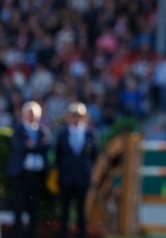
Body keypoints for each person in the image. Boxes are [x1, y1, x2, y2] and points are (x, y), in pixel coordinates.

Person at [6, 100, 51, 238]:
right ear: (24, 114)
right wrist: (33, 147)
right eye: (29, 113)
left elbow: (45, 147)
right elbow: (20, 147)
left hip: (37, 174)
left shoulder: (42, 130)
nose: (31, 116)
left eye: (34, 113)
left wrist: (32, 146)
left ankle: (32, 233)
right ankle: (18, 233)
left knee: (34, 206)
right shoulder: (18, 128)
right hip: (21, 174)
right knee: (19, 205)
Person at [54, 102, 99, 238]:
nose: (75, 119)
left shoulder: (90, 134)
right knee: (65, 208)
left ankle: (81, 234)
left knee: (82, 208)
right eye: (73, 116)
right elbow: (58, 155)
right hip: (67, 176)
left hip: (82, 176)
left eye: (78, 116)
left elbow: (94, 156)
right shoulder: (62, 134)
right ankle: (64, 233)